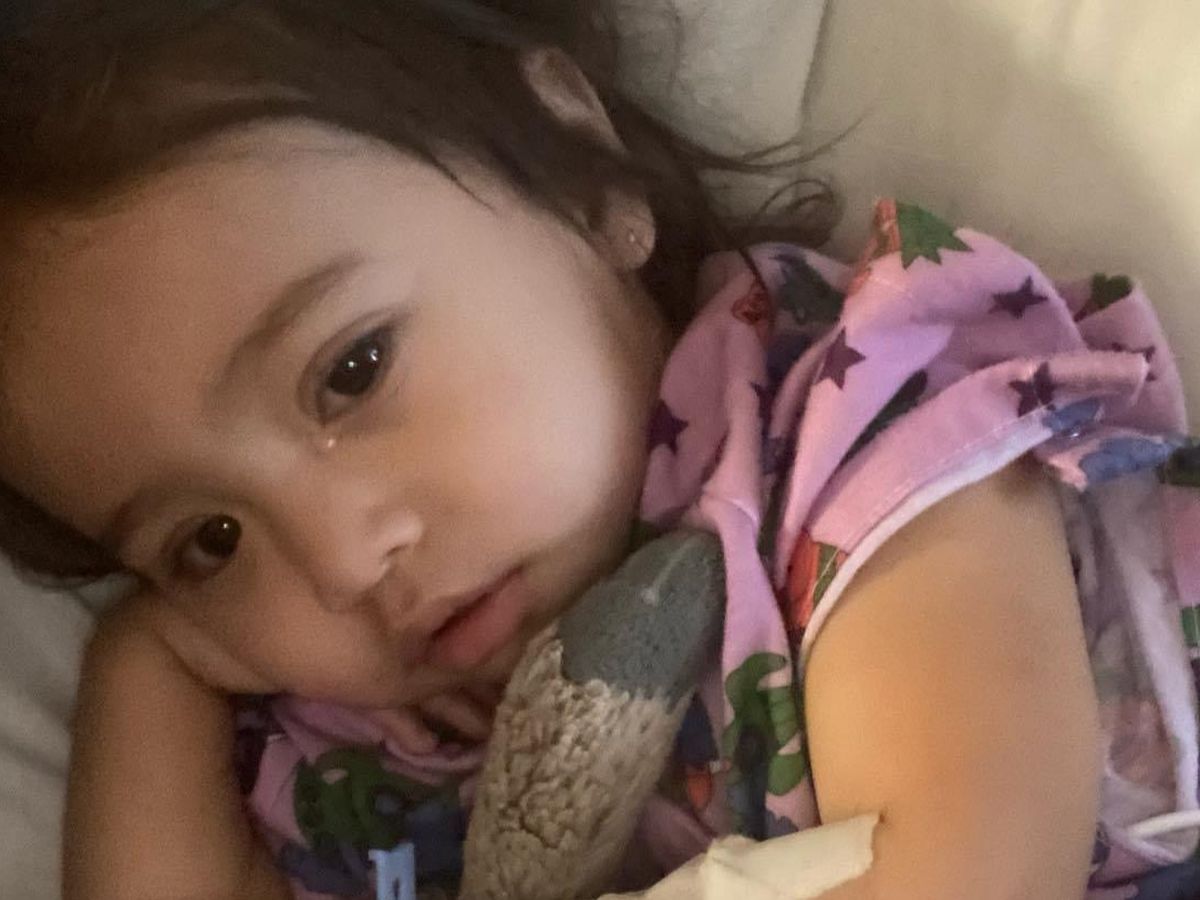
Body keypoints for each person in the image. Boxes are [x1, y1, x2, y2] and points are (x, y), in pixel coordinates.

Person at [0, 1, 1195, 898]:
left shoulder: (848, 424)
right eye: (208, 539)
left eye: (351, 372)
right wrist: (153, 663)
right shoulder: (344, 747)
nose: (341, 562)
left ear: (581, 182)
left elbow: (960, 868)